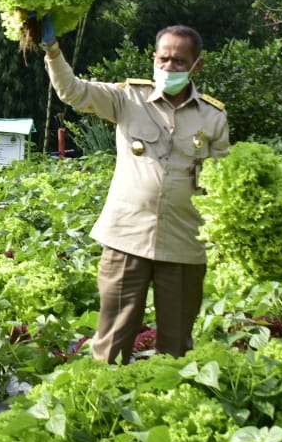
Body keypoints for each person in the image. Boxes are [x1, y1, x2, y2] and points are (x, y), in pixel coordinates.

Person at [41, 20, 229, 363]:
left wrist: (225, 234)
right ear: (154, 59)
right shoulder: (128, 98)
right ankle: (102, 406)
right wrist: (53, 50)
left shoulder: (213, 117)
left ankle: (169, 406)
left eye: (179, 62)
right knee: (112, 339)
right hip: (127, 236)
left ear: (197, 65)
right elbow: (73, 91)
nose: (169, 68)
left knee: (176, 347)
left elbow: (221, 180)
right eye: (163, 60)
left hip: (185, 242)